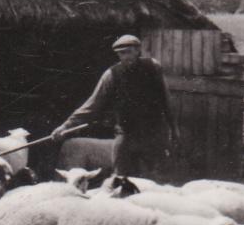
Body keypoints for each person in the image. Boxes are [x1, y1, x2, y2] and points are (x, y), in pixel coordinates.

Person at [51, 35, 178, 179]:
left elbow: (166, 100)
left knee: (156, 179)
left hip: (153, 134)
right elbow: (91, 105)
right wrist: (65, 126)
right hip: (126, 134)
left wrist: (173, 128)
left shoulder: (153, 67)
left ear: (137, 51)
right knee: (120, 178)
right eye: (121, 53)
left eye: (128, 52)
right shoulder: (112, 74)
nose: (125, 57)